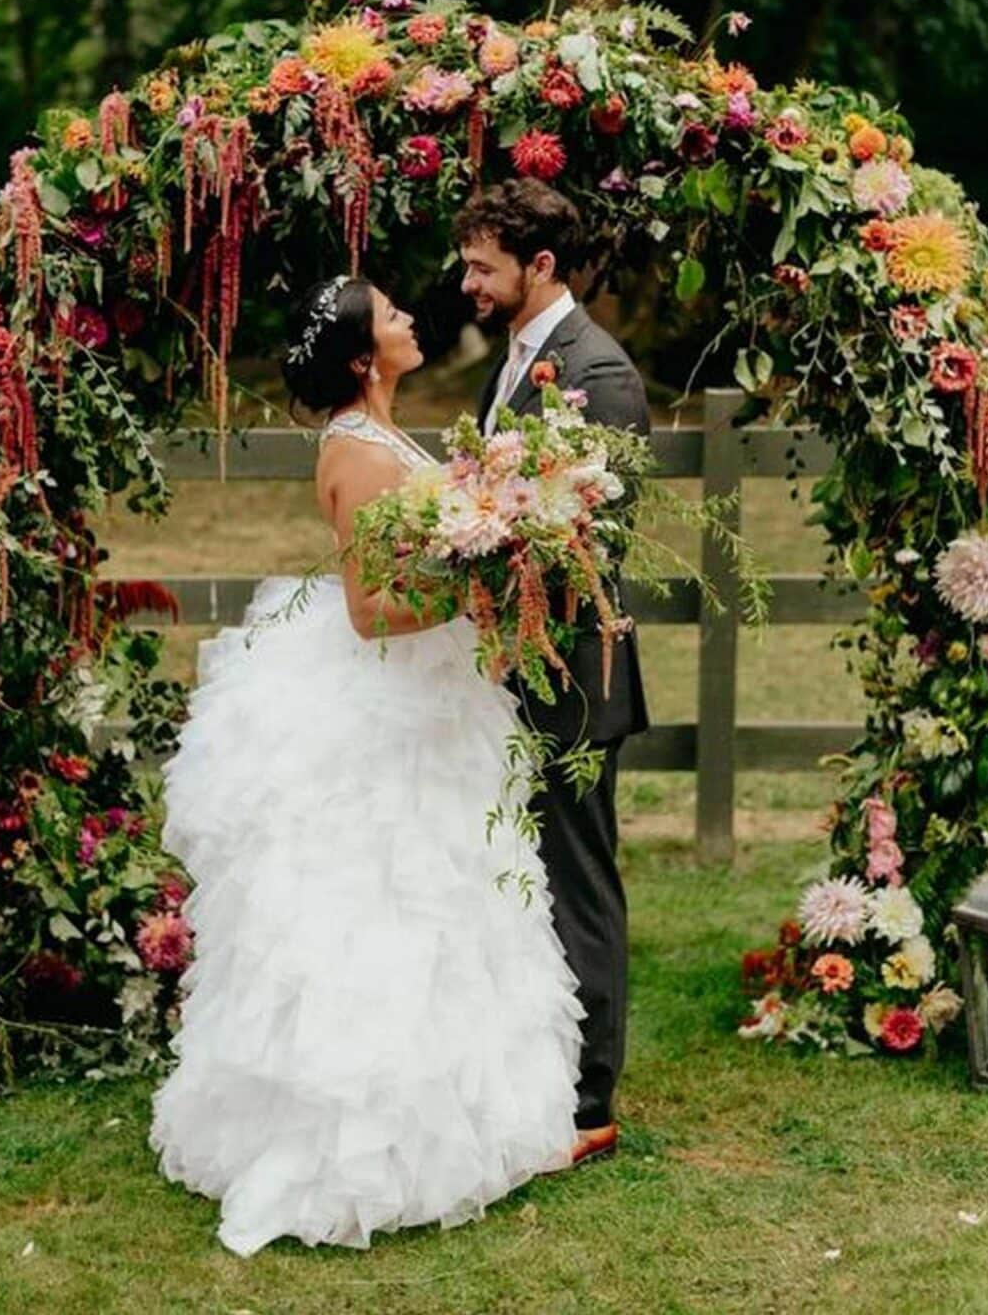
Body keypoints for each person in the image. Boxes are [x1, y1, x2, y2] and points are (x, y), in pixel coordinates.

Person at [149, 275, 582, 1256]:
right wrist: (475, 593)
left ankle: (464, 1114)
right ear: (360, 357)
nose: (409, 323)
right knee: (385, 907)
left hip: (428, 700)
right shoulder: (356, 452)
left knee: (449, 906)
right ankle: (362, 1142)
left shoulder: (383, 435)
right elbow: (370, 612)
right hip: (387, 708)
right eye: (390, 317)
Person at [458, 177, 650, 1166]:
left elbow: (594, 537)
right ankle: (533, 1067)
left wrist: (487, 540)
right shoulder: (519, 360)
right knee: (521, 871)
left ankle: (590, 1102)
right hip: (515, 660)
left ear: (540, 266)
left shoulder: (599, 372)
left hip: (574, 666)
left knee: (578, 877)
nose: (468, 282)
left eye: (484, 265)